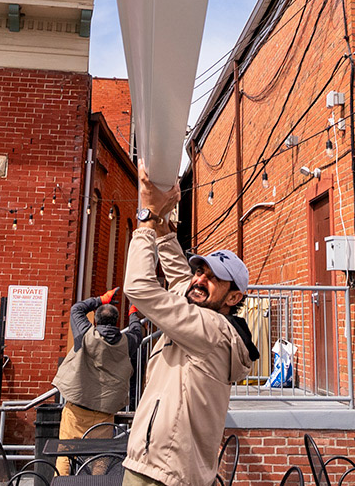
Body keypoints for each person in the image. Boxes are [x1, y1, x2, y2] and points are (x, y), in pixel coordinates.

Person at [121, 180, 255, 486]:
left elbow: (139, 287)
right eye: (200, 271)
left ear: (233, 297)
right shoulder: (208, 315)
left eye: (212, 278)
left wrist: (146, 219)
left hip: (161, 475)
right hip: (164, 467)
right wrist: (163, 226)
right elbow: (182, 279)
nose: (199, 281)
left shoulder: (210, 329)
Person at [51, 286, 145, 474]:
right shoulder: (126, 343)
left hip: (76, 410)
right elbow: (137, 331)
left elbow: (77, 309)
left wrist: (101, 299)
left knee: (64, 458)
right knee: (99, 462)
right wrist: (133, 312)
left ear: (96, 320)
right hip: (104, 413)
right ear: (117, 322)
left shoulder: (85, 335)